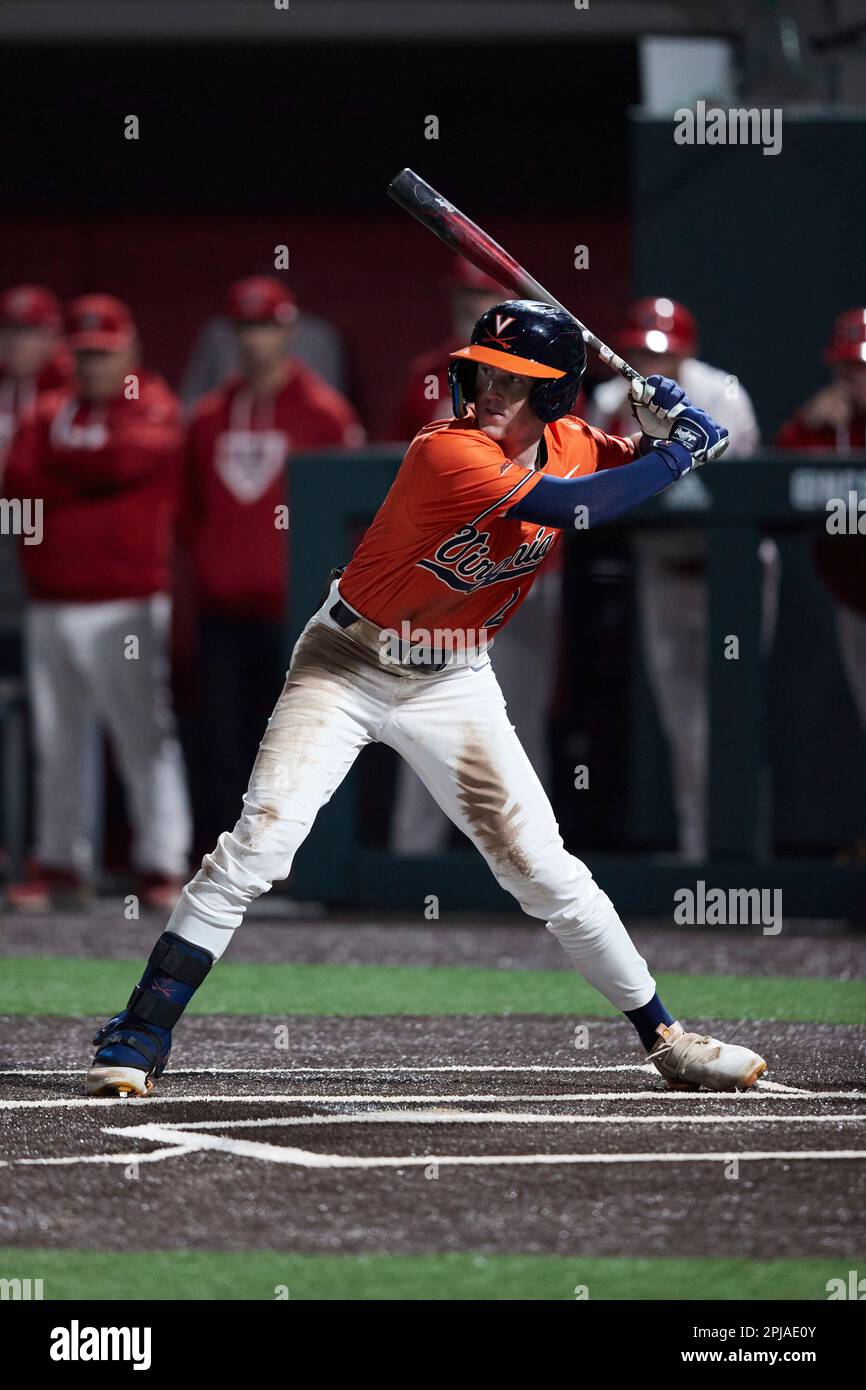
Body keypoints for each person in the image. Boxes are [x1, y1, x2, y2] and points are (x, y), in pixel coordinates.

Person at [85, 299, 766, 1098]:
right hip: (345, 662)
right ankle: (139, 1033)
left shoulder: (576, 441)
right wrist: (679, 448)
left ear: (554, 398)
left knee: (543, 870)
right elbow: (581, 507)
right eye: (482, 373)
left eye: (514, 383)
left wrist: (664, 424)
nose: (487, 392)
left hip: (453, 677)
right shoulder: (446, 453)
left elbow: (624, 465)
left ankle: (667, 1039)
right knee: (262, 847)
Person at [3, 293, 192, 910]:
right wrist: (79, 474)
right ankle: (62, 864)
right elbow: (18, 479)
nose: (93, 367)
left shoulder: (153, 402)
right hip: (51, 601)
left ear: (130, 352)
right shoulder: (52, 409)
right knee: (59, 743)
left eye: (104, 354)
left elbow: (126, 458)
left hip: (126, 603)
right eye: (83, 355)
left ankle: (160, 863)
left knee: (143, 738)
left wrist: (66, 475)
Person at [181, 276, 364, 842]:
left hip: (298, 610)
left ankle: (290, 857)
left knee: (294, 737)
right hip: (222, 608)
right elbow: (190, 510)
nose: (255, 339)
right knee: (221, 737)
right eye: (245, 327)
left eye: (266, 326)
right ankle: (221, 856)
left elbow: (352, 514)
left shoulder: (325, 414)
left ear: (289, 331)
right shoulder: (208, 416)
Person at [390, 258, 562, 852]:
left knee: (517, 725)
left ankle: (527, 863)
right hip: (442, 575)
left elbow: (564, 464)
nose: (470, 305)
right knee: (418, 721)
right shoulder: (426, 375)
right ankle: (414, 866)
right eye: (463, 295)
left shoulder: (542, 374)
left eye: (482, 296)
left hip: (518, 572)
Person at [589, 297, 767, 859]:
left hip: (731, 575)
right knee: (681, 726)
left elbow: (718, 484)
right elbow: (596, 476)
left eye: (658, 351)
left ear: (687, 352)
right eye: (638, 351)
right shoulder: (608, 399)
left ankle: (744, 857)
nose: (647, 360)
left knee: (735, 718)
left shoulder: (723, 393)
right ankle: (697, 857)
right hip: (661, 568)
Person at [776, 308, 866, 786]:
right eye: (849, 368)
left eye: (864, 369)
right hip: (855, 601)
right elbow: (778, 480)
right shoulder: (829, 425)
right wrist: (811, 426)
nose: (855, 379)